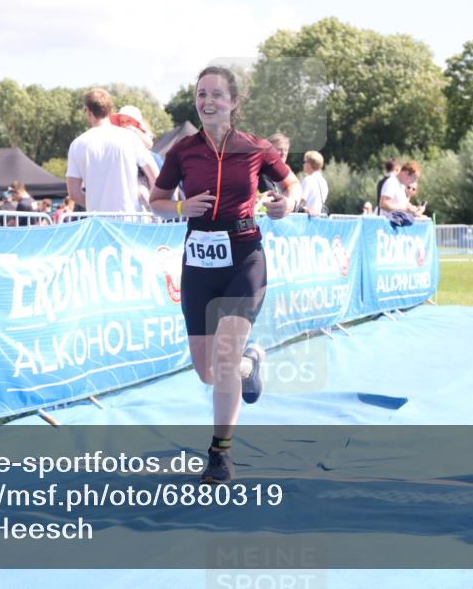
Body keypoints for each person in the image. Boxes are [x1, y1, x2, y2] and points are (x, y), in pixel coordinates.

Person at [149, 66, 301, 485]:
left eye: (217, 93)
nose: (207, 100)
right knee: (207, 370)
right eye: (201, 94)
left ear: (234, 102)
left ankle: (220, 452)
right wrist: (182, 208)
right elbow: (156, 200)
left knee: (226, 354)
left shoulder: (256, 148)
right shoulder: (182, 151)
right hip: (198, 263)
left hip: (244, 258)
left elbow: (293, 186)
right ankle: (251, 364)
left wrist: (286, 204)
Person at [66, 88, 159, 213]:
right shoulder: (131, 138)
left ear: (88, 111)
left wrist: (94, 207)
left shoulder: (77, 145)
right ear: (110, 110)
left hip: (98, 222)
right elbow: (155, 177)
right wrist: (152, 208)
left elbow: (74, 193)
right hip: (131, 219)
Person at [379, 160, 425, 225]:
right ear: (405, 173)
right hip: (387, 226)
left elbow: (404, 204)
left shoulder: (401, 186)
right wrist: (405, 209)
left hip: (395, 224)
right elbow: (383, 204)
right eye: (413, 179)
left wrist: (415, 209)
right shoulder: (392, 182)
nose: (413, 182)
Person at [299, 150, 329, 216]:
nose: (303, 164)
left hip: (306, 219)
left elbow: (300, 202)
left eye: (304, 162)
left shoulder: (308, 180)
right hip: (318, 219)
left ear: (309, 164)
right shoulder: (324, 182)